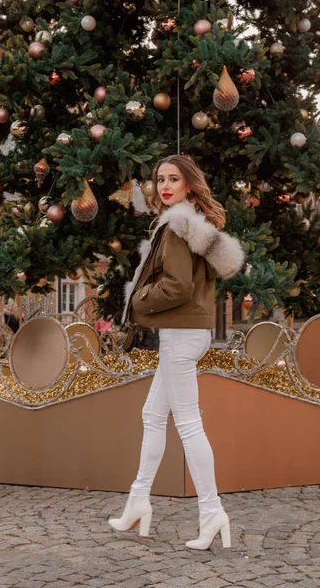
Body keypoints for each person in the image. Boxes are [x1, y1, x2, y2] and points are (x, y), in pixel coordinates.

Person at [108, 155, 245, 550]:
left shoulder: (176, 228)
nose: (165, 186)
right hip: (187, 333)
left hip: (181, 335)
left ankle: (211, 512)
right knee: (152, 415)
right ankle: (138, 502)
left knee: (187, 424)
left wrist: (136, 302)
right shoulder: (190, 226)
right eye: (160, 179)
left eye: (174, 179)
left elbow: (178, 287)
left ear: (189, 185)